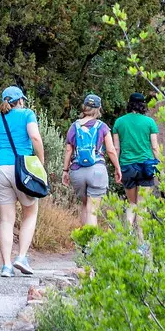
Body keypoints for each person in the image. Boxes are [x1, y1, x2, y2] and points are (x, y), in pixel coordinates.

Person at [0, 85, 45, 277]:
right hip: (22, 169)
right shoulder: (27, 114)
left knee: (6, 220)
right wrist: (41, 162)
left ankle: (6, 266)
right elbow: (34, 136)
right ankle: (21, 257)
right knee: (30, 213)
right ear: (20, 100)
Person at [63, 93, 121, 230]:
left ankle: (83, 244)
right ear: (99, 108)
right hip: (97, 171)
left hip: (77, 171)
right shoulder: (102, 127)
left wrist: (65, 171)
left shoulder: (74, 126)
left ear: (84, 107)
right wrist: (117, 168)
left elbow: (68, 151)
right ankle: (91, 247)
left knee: (84, 205)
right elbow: (111, 150)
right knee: (92, 210)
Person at [113, 91, 162, 228]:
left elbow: (116, 148)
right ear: (143, 105)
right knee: (142, 205)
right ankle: (141, 243)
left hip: (127, 166)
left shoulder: (119, 122)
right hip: (145, 166)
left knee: (132, 203)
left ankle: (127, 238)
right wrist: (159, 165)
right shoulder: (150, 122)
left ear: (129, 104)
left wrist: (117, 168)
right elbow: (155, 147)